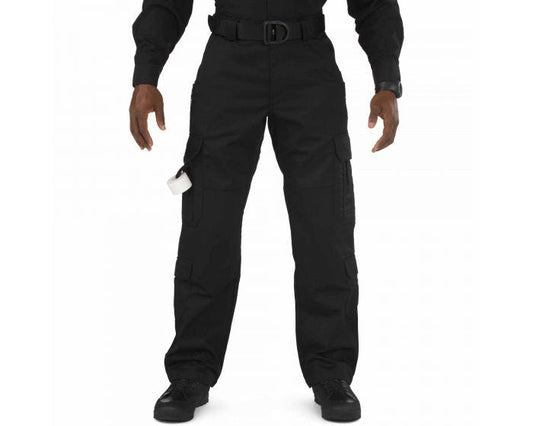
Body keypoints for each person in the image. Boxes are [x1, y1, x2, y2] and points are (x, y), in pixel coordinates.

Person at [129, 0, 403, 422]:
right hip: (229, 63)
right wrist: (146, 75)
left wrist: (386, 79)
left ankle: (330, 371)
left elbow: (375, 3)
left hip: (309, 67)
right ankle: (190, 372)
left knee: (324, 225)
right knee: (208, 224)